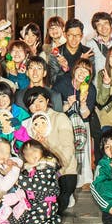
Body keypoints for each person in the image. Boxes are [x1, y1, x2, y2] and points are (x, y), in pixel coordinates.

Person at [23, 87, 77, 215]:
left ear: (47, 101)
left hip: (63, 170)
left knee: (54, 210)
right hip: (39, 174)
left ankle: (66, 195)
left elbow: (68, 148)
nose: (37, 106)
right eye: (32, 103)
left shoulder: (60, 118)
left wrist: (56, 171)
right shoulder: (29, 124)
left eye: (40, 101)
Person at [53, 58, 96, 187]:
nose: (82, 73)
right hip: (63, 121)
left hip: (81, 123)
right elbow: (54, 107)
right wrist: (67, 105)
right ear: (74, 70)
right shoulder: (63, 83)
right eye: (79, 69)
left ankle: (82, 178)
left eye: (86, 71)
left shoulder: (90, 89)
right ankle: (64, 175)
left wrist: (82, 103)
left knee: (83, 132)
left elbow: (86, 115)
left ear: (89, 76)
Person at [8, 139, 62, 224]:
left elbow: (35, 184)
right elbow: (23, 184)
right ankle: (33, 220)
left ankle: (55, 221)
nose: (31, 154)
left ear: (42, 150)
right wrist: (14, 169)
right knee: (15, 223)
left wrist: (16, 177)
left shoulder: (48, 167)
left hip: (45, 205)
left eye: (34, 150)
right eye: (27, 153)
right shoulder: (29, 168)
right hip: (32, 204)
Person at [48, 18, 94, 86]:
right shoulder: (56, 53)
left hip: (81, 90)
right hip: (62, 91)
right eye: (70, 35)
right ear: (65, 35)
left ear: (82, 36)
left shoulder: (88, 53)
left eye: (77, 35)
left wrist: (82, 62)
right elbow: (52, 80)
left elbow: (90, 78)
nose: (74, 39)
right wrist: (63, 70)